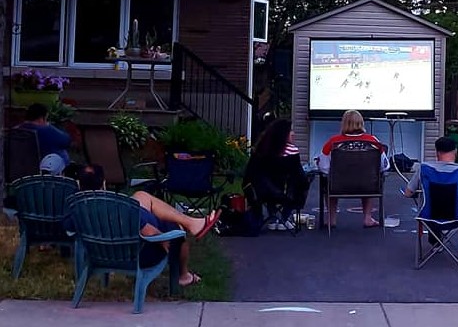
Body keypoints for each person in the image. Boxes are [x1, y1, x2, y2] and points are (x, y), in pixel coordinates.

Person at [74, 165, 220, 287]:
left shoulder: (75, 208)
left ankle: (190, 223)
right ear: (104, 184)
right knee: (175, 228)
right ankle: (183, 273)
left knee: (141, 196)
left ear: (79, 184)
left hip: (101, 254)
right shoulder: (122, 209)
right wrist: (168, 238)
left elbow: (69, 229)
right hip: (135, 256)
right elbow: (150, 233)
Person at [404, 137, 458, 258]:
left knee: (429, 202)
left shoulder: (424, 169)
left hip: (429, 218)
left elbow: (408, 193)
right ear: (455, 152)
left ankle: (436, 241)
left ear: (437, 153)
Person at [318, 110, 389, 228]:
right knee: (371, 178)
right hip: (367, 186)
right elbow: (385, 166)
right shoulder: (373, 141)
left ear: (344, 124)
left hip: (338, 186)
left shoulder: (333, 142)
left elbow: (324, 168)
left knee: (327, 180)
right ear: (361, 123)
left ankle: (332, 219)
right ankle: (367, 218)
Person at [243, 119, 310, 231]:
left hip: (261, 193)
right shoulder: (291, 151)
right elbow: (298, 175)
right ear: (283, 134)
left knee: (269, 181)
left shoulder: (261, 150)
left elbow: (250, 173)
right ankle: (284, 217)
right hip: (284, 196)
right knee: (299, 181)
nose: (293, 133)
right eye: (291, 131)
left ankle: (272, 217)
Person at [16, 103, 71, 175]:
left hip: (21, 168)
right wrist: (49, 126)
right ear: (42, 118)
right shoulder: (44, 131)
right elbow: (66, 140)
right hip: (44, 168)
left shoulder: (17, 131)